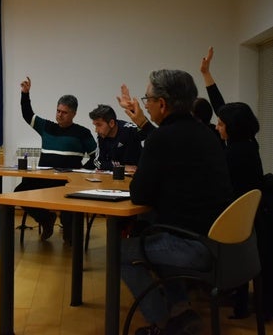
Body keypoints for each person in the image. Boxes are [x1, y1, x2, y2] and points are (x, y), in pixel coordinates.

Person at [121, 69, 233, 335]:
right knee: (154, 230)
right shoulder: (207, 134)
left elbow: (139, 194)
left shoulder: (162, 139)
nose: (145, 105)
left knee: (121, 254)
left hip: (192, 245)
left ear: (162, 104)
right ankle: (181, 310)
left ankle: (163, 323)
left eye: (147, 99)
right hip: (222, 243)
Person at [200, 46, 266, 319]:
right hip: (249, 218)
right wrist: (207, 75)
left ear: (231, 127)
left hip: (236, 221)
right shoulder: (247, 142)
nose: (217, 126)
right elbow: (222, 109)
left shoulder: (235, 152)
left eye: (220, 124)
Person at [15, 76, 97, 243]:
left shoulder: (83, 133)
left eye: (64, 112)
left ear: (73, 113)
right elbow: (27, 114)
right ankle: (46, 219)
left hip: (68, 182)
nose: (60, 115)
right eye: (58, 111)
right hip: (44, 179)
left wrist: (81, 171)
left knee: (70, 239)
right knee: (19, 192)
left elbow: (96, 156)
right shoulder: (47, 127)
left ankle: (68, 231)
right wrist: (25, 93)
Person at [84, 104, 143, 171]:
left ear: (111, 123)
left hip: (137, 174)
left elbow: (150, 134)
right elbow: (98, 162)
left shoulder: (130, 129)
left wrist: (137, 114)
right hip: (115, 175)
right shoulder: (101, 136)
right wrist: (122, 167)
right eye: (95, 125)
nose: (96, 130)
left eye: (99, 125)